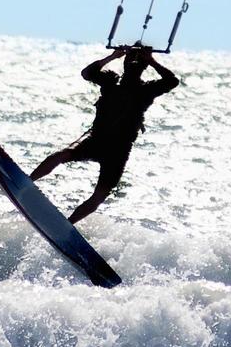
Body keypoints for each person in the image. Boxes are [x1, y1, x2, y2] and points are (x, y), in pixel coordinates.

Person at [31, 45, 180, 224]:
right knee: (63, 154)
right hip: (97, 140)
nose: (133, 63)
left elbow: (172, 81)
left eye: (138, 61)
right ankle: (26, 182)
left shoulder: (147, 90)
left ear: (144, 66)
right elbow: (87, 73)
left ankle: (67, 226)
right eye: (130, 59)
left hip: (119, 150)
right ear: (124, 62)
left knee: (100, 195)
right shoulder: (111, 81)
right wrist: (112, 56)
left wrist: (151, 60)